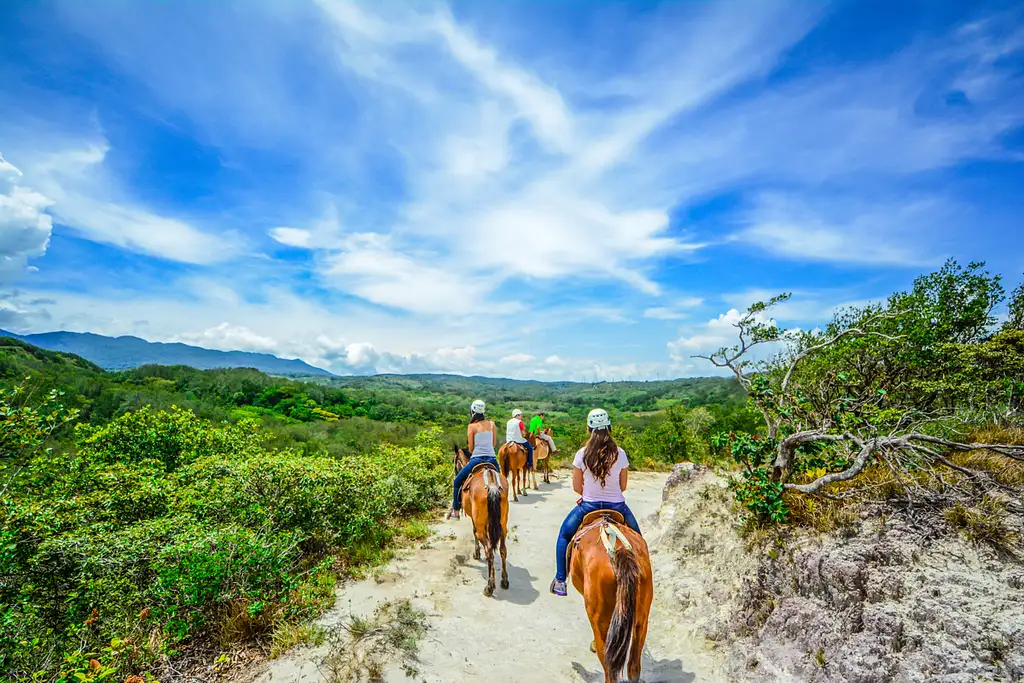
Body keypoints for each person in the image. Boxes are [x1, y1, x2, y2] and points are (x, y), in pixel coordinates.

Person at [550, 408, 641, 596]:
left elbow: (577, 488)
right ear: (609, 427)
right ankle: (642, 576)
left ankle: (560, 580)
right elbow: (623, 486)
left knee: (564, 535)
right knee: (639, 540)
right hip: (617, 506)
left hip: (588, 506)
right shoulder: (620, 453)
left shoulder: (581, 454)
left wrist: (591, 492)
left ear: (589, 429)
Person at [448, 399, 499, 520]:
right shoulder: (492, 424)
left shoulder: (471, 426)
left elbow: (470, 448)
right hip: (492, 459)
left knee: (457, 482)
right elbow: (494, 444)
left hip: (476, 459)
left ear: (472, 411)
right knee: (501, 483)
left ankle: (456, 510)